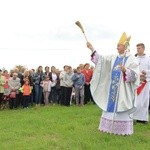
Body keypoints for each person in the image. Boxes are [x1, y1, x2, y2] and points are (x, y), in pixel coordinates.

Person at [86, 32, 140, 135]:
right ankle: (108, 128)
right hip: (112, 90)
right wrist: (92, 48)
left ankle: (122, 131)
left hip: (124, 90)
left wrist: (126, 71)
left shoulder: (131, 59)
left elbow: (135, 75)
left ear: (125, 46)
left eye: (118, 46)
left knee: (122, 105)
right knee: (110, 105)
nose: (117, 48)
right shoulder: (113, 57)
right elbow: (101, 60)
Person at [133, 43, 150, 124]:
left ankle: (143, 119)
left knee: (145, 100)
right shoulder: (134, 58)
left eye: (139, 48)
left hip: (145, 82)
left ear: (143, 48)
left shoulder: (148, 59)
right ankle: (134, 117)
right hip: (137, 82)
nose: (137, 50)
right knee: (137, 100)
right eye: (137, 48)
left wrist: (146, 72)